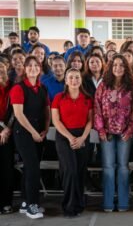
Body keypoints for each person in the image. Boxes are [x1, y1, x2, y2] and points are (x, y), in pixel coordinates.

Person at [94, 55, 133, 212]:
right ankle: (107, 203)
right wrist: (101, 129)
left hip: (125, 133)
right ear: (110, 67)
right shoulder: (103, 86)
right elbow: (97, 108)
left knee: (123, 167)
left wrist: (130, 129)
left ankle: (123, 203)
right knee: (107, 167)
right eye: (115, 65)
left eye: (121, 65)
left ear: (126, 68)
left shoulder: (131, 87)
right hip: (106, 133)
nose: (118, 68)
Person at [10, 56, 50, 219]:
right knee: (33, 168)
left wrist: (46, 129)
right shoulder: (18, 88)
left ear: (40, 69)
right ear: (25, 69)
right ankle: (32, 205)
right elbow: (18, 114)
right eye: (29, 66)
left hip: (39, 132)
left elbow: (46, 112)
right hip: (24, 133)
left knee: (29, 167)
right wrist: (33, 132)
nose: (33, 68)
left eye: (36, 65)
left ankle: (25, 201)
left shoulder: (42, 88)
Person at [51, 68, 93, 218]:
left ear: (80, 80)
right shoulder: (58, 98)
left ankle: (79, 202)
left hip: (82, 135)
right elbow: (56, 121)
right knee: (70, 170)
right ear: (66, 80)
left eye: (77, 77)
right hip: (64, 136)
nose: (74, 80)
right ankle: (69, 206)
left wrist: (82, 138)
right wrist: (70, 137)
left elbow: (90, 121)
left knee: (80, 171)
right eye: (71, 78)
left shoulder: (87, 98)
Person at [0, 57, 14, 215]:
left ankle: (6, 203)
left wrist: (6, 129)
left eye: (2, 69)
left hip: (7, 133)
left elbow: (13, 112)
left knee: (6, 169)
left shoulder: (12, 87)